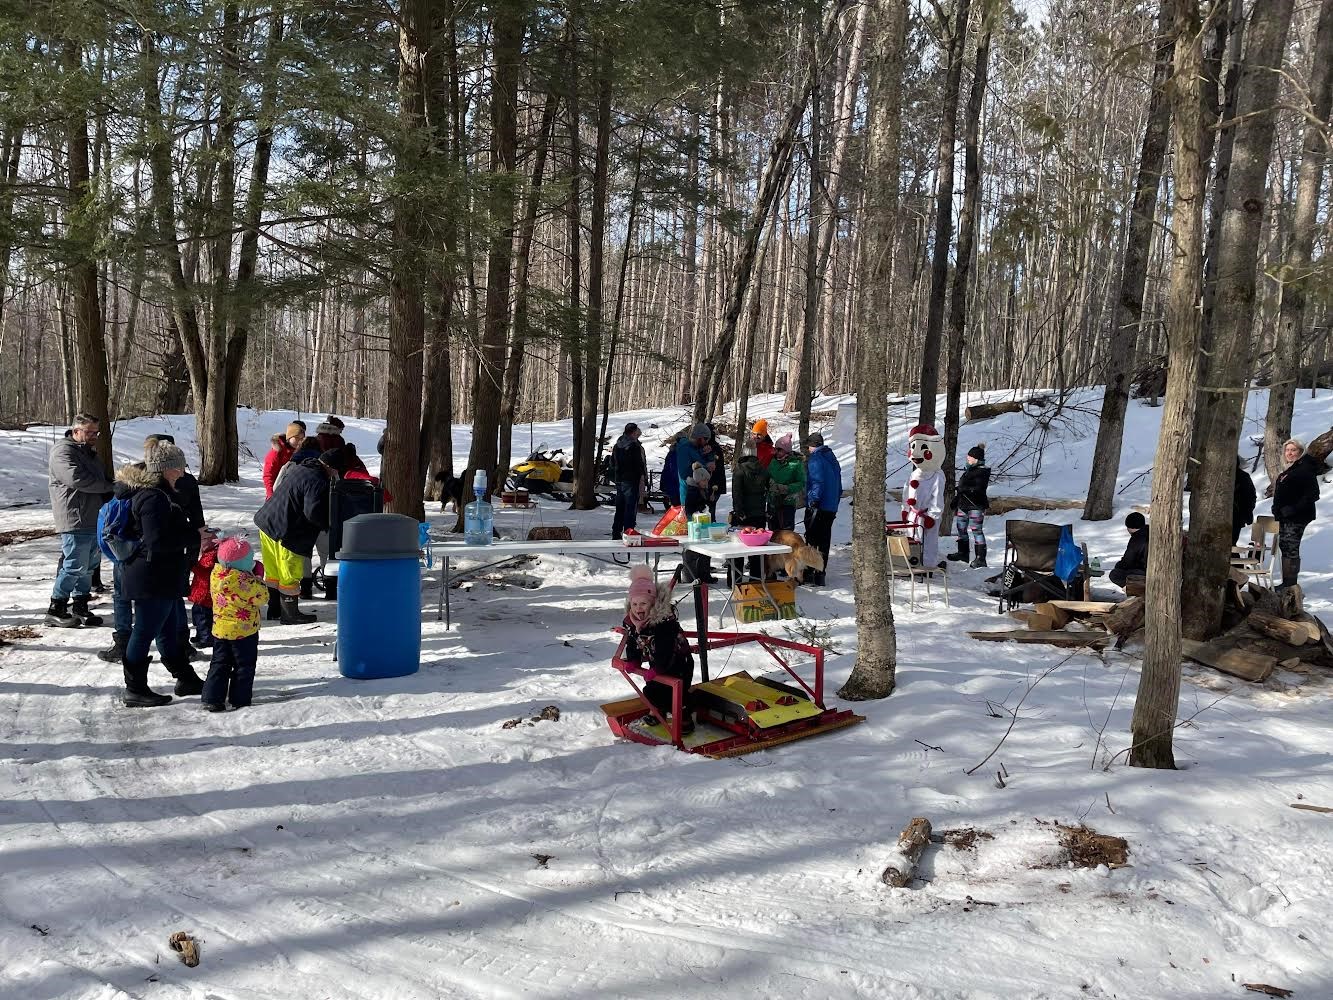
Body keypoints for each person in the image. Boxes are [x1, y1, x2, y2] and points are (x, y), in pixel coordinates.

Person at [119, 443, 207, 707]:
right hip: (150, 576)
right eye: (179, 466)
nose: (182, 471)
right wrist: (195, 536)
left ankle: (185, 678)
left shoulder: (163, 493)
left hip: (163, 575)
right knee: (144, 631)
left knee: (168, 629)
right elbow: (156, 541)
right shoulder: (152, 497)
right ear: (167, 469)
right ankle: (135, 689)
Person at [254, 447, 346, 623]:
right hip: (288, 531)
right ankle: (290, 614)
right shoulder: (318, 480)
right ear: (332, 467)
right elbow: (312, 512)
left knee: (273, 570)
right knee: (290, 571)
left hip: (267, 522)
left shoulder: (301, 468)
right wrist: (328, 524)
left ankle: (274, 609)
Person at [46, 413, 115, 628]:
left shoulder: (89, 453)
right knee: (74, 564)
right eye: (90, 432)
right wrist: (110, 487)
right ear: (76, 431)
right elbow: (77, 479)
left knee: (89, 565)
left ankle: (80, 605)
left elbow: (100, 478)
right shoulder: (63, 451)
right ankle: (56, 606)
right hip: (74, 516)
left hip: (93, 516)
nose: (94, 436)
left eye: (96, 432)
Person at [622, 566, 695, 736]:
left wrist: (657, 669)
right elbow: (633, 642)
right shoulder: (633, 622)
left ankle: (685, 717)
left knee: (676, 693)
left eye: (643, 603)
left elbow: (666, 649)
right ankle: (657, 711)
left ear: (653, 603)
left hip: (678, 662)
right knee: (652, 689)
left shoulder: (663, 624)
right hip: (657, 662)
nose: (638, 608)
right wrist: (633, 660)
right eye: (634, 604)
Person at [202, 536, 269, 712]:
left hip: (220, 630)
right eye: (250, 560)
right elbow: (262, 597)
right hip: (244, 632)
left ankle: (212, 698)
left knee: (219, 663)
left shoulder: (217, 574)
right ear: (242, 563)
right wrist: (258, 578)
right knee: (244, 665)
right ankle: (240, 699)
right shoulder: (244, 582)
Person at [1273, 439, 1320, 589]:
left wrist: (1294, 508)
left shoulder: (1304, 469)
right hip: (1285, 517)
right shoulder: (1290, 470)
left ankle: (1291, 583)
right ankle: (1287, 581)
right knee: (1285, 546)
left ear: (1300, 452)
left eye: (1293, 450)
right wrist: (1277, 508)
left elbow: (1313, 494)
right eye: (1287, 450)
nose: (1290, 453)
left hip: (1297, 516)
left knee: (1291, 546)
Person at [803, 432, 842, 586]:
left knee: (812, 540)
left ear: (812, 445)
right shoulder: (831, 458)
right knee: (824, 540)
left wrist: (813, 500)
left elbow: (817, 482)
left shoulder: (816, 459)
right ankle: (821, 573)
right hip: (831, 506)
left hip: (819, 506)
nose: (808, 449)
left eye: (809, 446)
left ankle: (809, 571)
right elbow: (838, 483)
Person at [950, 443, 991, 568]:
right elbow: (961, 488)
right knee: (961, 528)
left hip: (976, 505)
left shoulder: (983, 472)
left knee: (976, 530)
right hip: (963, 505)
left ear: (976, 458)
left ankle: (980, 558)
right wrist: (956, 499)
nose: (968, 458)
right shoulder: (968, 471)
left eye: (970, 457)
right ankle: (963, 553)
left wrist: (965, 489)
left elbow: (978, 487)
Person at [611, 423, 648, 540]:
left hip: (619, 480)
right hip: (631, 480)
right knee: (630, 508)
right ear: (633, 432)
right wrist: (642, 477)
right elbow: (638, 464)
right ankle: (629, 532)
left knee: (620, 507)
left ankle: (616, 531)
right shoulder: (634, 446)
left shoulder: (617, 445)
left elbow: (612, 463)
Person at [766, 434, 806, 531]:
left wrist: (786, 488)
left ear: (786, 451)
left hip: (787, 503)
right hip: (772, 502)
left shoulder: (796, 464)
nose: (777, 452)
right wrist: (768, 482)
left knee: (786, 532)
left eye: (779, 450)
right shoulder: (773, 461)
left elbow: (801, 483)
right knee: (772, 532)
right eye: (776, 449)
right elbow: (767, 475)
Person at [188, 534, 220, 649]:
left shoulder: (211, 555)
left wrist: (192, 566)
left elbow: (205, 571)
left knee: (203, 617)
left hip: (204, 593)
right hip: (201, 591)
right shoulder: (208, 554)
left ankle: (206, 638)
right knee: (198, 616)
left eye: (203, 541)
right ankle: (200, 634)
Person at [1109, 512, 1150, 590]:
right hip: (1150, 569)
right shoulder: (1150, 532)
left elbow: (1128, 560)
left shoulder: (1137, 539)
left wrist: (1118, 566)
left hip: (1144, 572)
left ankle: (1133, 590)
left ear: (1130, 527)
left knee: (1115, 574)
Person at [1232, 456, 1257, 546]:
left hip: (1237, 516)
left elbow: (1250, 497)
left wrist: (1246, 514)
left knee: (1231, 543)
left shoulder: (1243, 477)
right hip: (1236, 516)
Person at [263, 433, 294, 500]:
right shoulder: (274, 454)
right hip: (277, 492)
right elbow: (268, 476)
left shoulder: (294, 451)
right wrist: (270, 495)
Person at [661, 436, 682, 508]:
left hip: (669, 484)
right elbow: (675, 471)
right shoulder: (678, 453)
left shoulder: (671, 452)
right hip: (675, 485)